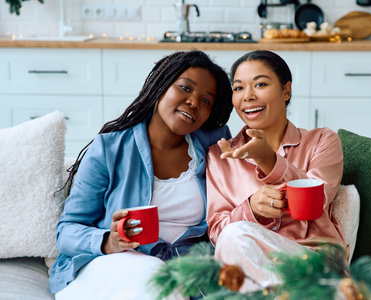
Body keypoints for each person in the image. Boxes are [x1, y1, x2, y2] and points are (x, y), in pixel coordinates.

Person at [49, 50, 233, 299]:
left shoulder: (213, 145)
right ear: (161, 84)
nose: (194, 103)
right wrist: (108, 241)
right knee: (154, 278)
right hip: (118, 263)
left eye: (206, 101)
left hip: (187, 270)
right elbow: (67, 230)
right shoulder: (109, 148)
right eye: (185, 88)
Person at [206, 50, 348, 292]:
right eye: (238, 88)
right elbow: (218, 232)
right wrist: (251, 209)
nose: (247, 96)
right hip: (252, 269)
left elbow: (316, 202)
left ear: (286, 91)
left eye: (260, 84)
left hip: (314, 262)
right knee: (233, 235)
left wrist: (269, 160)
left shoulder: (322, 140)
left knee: (235, 236)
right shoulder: (220, 156)